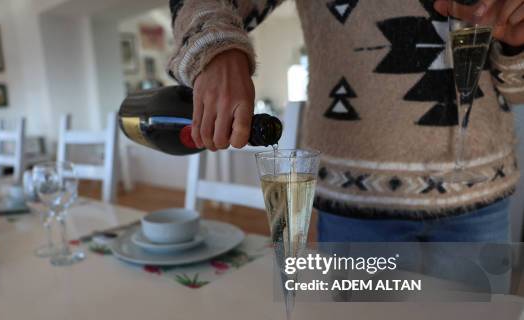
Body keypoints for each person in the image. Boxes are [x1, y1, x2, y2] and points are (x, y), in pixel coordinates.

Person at [167, 0, 523, 246]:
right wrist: (214, 46)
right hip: (354, 204)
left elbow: (518, 88)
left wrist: (516, 41)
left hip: (482, 197)